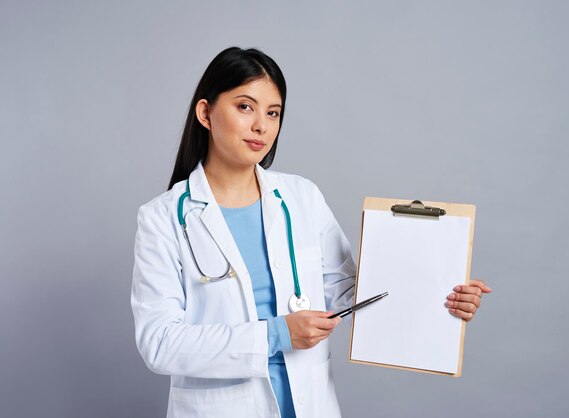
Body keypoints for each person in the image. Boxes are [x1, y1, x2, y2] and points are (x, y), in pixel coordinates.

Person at [131, 46, 491, 418]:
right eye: (245, 107)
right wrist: (277, 334)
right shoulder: (162, 218)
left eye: (273, 113)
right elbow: (159, 343)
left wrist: (444, 298)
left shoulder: (301, 197)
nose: (262, 126)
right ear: (205, 113)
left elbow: (353, 292)